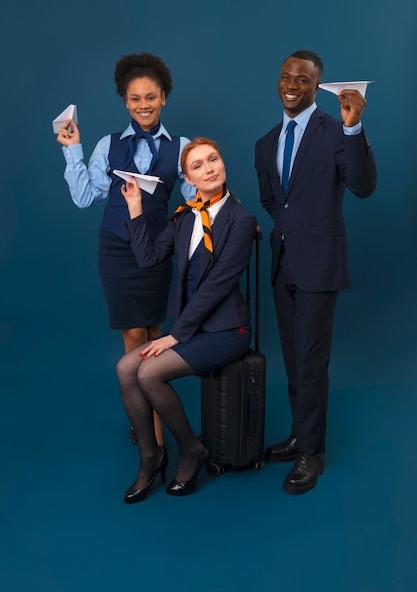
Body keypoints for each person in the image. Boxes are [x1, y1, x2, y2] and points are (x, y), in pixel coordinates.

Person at [254, 49, 377, 495]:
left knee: (310, 360)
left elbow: (363, 186)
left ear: (316, 85)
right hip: (282, 262)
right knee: (292, 358)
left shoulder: (336, 129)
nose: (292, 85)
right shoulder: (265, 143)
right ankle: (298, 435)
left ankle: (313, 453)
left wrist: (353, 127)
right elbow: (272, 201)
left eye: (302, 80)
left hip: (320, 265)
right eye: (286, 76)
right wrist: (291, 230)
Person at [56, 52, 195, 446]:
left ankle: (146, 412)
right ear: (125, 101)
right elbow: (86, 197)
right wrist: (72, 149)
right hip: (117, 250)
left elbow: (195, 197)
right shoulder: (108, 144)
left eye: (151, 96)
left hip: (156, 250)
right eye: (135, 98)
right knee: (135, 337)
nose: (144, 105)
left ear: (164, 97)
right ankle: (154, 438)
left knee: (154, 333)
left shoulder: (181, 146)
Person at [116, 137, 257, 503]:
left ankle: (191, 449)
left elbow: (216, 287)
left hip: (227, 330)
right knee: (126, 367)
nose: (210, 168)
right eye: (198, 165)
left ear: (223, 164)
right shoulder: (184, 216)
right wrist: (135, 208)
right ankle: (151, 457)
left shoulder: (241, 220)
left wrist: (175, 336)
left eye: (214, 159)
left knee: (148, 372)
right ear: (188, 178)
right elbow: (147, 259)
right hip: (190, 331)